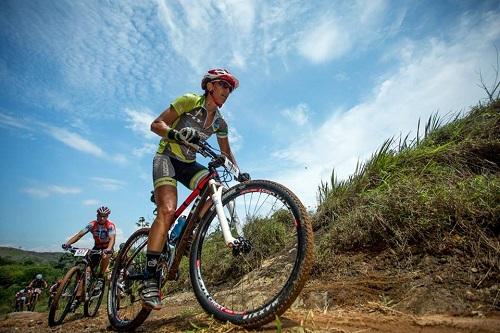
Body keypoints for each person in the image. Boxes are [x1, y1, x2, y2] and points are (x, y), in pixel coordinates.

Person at [142, 68, 250, 309]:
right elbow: (155, 124)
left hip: (189, 164)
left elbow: (226, 153)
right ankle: (149, 279)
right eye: (223, 85)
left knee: (216, 189)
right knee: (168, 211)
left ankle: (186, 237)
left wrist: (238, 173)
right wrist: (177, 134)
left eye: (230, 88)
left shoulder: (221, 123)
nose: (227, 91)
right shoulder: (190, 100)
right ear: (210, 86)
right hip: (167, 158)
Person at [62, 206, 116, 281]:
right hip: (97, 247)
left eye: (104, 216)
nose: (102, 218)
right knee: (88, 269)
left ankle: (101, 275)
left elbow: (112, 239)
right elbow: (79, 235)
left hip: (107, 247)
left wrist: (108, 249)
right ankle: (85, 285)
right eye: (100, 215)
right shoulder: (92, 224)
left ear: (107, 216)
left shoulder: (110, 225)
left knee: (106, 256)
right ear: (97, 215)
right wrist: (68, 244)